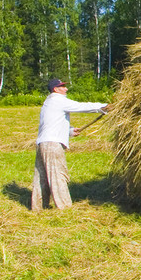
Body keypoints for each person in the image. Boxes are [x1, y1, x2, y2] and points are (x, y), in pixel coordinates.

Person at [31, 78, 109, 212]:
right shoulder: (58, 100)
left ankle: (38, 207)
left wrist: (70, 131)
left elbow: (52, 124)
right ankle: (64, 208)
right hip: (52, 145)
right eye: (63, 87)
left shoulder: (48, 103)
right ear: (56, 89)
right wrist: (103, 107)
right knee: (58, 175)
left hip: (43, 143)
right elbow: (80, 107)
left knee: (41, 178)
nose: (66, 89)